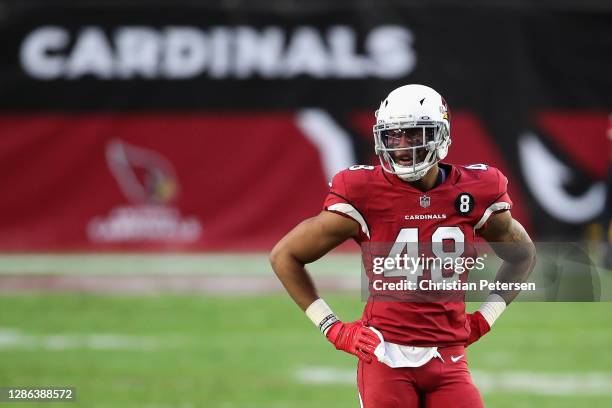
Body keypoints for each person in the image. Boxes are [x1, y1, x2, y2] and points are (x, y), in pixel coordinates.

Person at [270, 84, 536, 407]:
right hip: (384, 354)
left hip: (448, 357)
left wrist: (486, 316)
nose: (401, 146)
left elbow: (523, 255)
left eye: (413, 134)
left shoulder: (474, 191)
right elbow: (285, 255)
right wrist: (334, 329)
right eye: (393, 136)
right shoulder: (364, 192)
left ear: (440, 135)